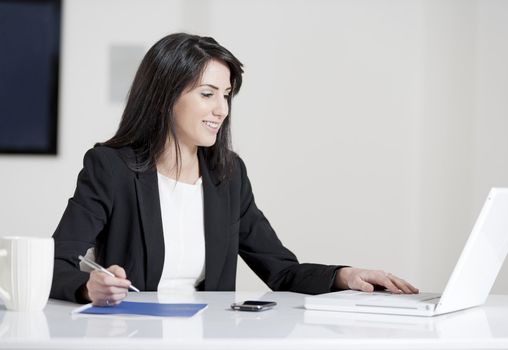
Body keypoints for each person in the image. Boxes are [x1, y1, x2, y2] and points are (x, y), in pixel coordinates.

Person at [51, 33, 418, 306]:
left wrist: (342, 276)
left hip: (210, 338)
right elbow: (54, 263)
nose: (222, 109)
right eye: (207, 94)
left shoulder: (227, 175)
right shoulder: (111, 167)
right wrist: (89, 287)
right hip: (133, 337)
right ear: (164, 97)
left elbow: (280, 270)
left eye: (226, 95)